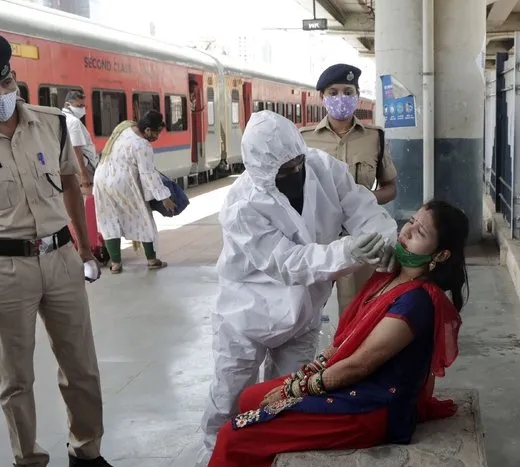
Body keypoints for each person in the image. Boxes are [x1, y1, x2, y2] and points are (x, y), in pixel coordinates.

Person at [197, 110, 399, 466]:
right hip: (246, 317)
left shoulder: (322, 167)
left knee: (285, 397)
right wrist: (346, 249)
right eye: (284, 172)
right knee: (230, 395)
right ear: (261, 172)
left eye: (296, 163)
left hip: (304, 313)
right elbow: (288, 263)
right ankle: (216, 456)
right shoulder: (242, 205)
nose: (295, 173)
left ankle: (269, 457)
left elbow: (363, 208)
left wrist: (383, 243)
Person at [0, 30, 112, 467]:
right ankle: (28, 459)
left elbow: (69, 185)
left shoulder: (52, 123)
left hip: (61, 258)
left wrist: (83, 249)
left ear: (13, 75)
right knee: (16, 378)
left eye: (6, 82)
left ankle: (86, 451)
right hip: (6, 268)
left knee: (81, 366)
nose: (1, 94)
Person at [208, 200, 469, 467]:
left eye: (420, 233)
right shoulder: (389, 277)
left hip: (372, 407)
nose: (407, 231)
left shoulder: (417, 301)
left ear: (441, 256)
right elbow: (346, 342)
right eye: (412, 221)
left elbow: (359, 364)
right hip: (354, 386)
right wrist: (307, 374)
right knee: (250, 398)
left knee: (233, 435)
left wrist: (295, 389)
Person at [300, 63, 399, 321]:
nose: (340, 98)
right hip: (317, 239)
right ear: (321, 97)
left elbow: (391, 189)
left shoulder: (374, 137)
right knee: (305, 309)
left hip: (360, 240)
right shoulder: (304, 139)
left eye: (347, 91)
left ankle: (346, 357)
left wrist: (359, 202)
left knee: (355, 311)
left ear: (356, 95)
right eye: (333, 92)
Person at [93, 110, 176, 273]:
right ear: (147, 130)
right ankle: (152, 259)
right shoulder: (142, 145)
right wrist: (164, 196)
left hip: (101, 178)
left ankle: (116, 264)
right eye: (156, 133)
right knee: (142, 216)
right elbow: (148, 173)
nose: (156, 137)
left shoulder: (123, 127)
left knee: (109, 220)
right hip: (123, 182)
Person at [62, 90, 108, 265]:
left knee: (73, 209)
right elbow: (77, 149)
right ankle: (91, 245)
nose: (83, 109)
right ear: (69, 103)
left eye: (84, 106)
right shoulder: (73, 122)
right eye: (79, 105)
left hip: (70, 170)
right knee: (86, 207)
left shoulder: (62, 117)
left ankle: (81, 244)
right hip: (84, 170)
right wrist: (84, 175)